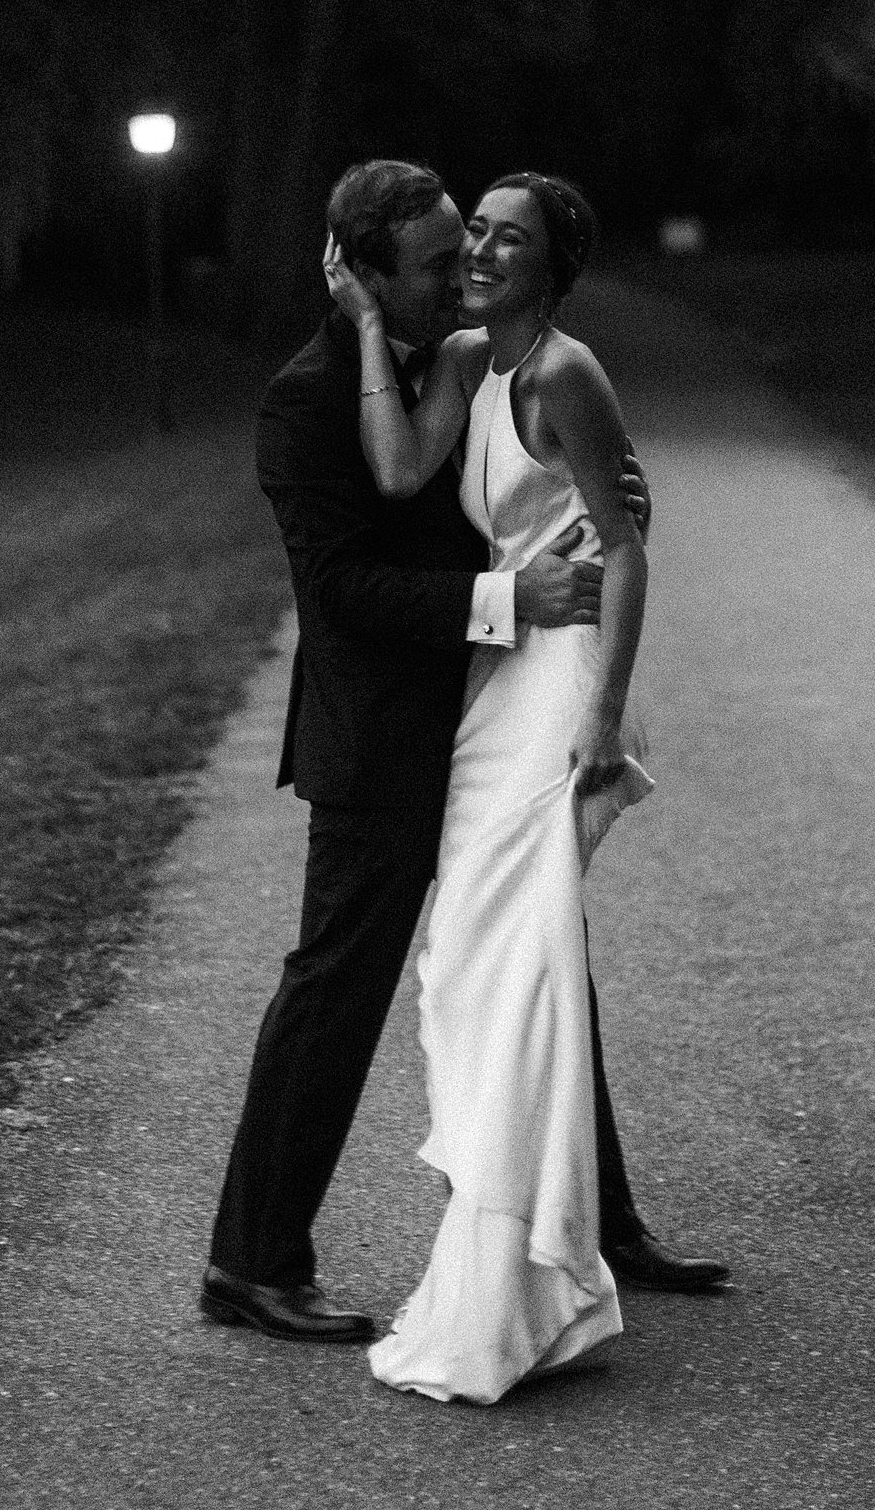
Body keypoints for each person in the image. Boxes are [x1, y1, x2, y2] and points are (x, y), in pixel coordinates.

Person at [201, 160, 726, 1354]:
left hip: (494, 708)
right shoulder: (304, 399)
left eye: (471, 247)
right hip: (382, 738)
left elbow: (561, 499)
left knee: (541, 953)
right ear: (365, 277)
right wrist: (509, 597)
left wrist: (599, 511)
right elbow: (340, 592)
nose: (460, 271)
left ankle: (601, 1221)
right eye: (437, 260)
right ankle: (251, 1262)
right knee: (337, 991)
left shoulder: (474, 361)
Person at [328, 169, 662, 1401]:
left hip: (559, 685)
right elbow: (401, 469)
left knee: (519, 963)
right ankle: (540, 1238)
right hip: (494, 675)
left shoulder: (570, 373)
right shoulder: (469, 361)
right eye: (475, 229)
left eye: (507, 239)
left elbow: (622, 552)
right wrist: (372, 325)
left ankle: (528, 1276)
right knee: (470, 964)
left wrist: (605, 719)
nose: (479, 248)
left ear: (552, 267)